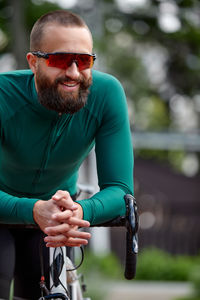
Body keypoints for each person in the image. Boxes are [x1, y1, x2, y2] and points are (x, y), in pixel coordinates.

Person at [0, 9, 134, 299]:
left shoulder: (107, 94)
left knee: (45, 280)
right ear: (33, 62)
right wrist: (33, 210)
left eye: (84, 60)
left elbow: (121, 190)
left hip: (59, 220)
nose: (73, 72)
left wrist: (80, 212)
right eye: (60, 59)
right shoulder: (3, 96)